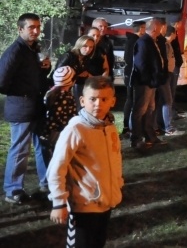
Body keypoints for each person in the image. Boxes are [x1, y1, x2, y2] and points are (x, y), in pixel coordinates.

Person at [47, 76, 123, 248]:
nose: (98, 104)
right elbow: (56, 167)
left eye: (104, 99)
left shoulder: (110, 127)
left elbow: (116, 158)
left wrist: (117, 184)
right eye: (92, 99)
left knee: (97, 243)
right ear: (82, 101)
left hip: (105, 201)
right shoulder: (76, 129)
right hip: (84, 205)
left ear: (112, 101)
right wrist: (59, 201)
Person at [0, 13, 51, 204]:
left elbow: (33, 76)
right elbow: (1, 83)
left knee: (43, 146)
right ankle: (13, 189)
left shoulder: (31, 49)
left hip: (35, 106)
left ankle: (46, 182)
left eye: (38, 26)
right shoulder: (15, 51)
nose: (36, 31)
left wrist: (44, 68)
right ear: (20, 29)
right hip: (21, 107)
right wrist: (26, 91)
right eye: (31, 27)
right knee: (20, 149)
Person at [130, 18, 166, 150]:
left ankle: (149, 136)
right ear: (156, 28)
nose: (163, 30)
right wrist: (149, 80)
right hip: (144, 83)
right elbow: (141, 64)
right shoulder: (144, 42)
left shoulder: (150, 41)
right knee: (140, 110)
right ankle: (136, 139)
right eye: (161, 27)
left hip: (150, 82)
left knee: (149, 109)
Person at [42, 66, 78, 155]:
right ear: (71, 81)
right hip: (61, 132)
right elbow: (68, 117)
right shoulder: (66, 97)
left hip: (49, 130)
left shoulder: (50, 93)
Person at [56, 35, 96, 112]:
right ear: (79, 45)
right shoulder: (69, 56)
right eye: (85, 46)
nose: (88, 49)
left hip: (77, 86)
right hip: (63, 88)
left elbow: (84, 73)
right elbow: (57, 74)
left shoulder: (86, 58)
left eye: (91, 47)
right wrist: (76, 75)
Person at [121, 21, 146, 136]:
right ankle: (128, 126)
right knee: (131, 100)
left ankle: (128, 126)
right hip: (133, 75)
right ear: (140, 29)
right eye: (144, 28)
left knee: (130, 99)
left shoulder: (131, 40)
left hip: (130, 74)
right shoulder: (135, 41)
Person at [157, 25, 182, 136]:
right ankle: (168, 127)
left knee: (164, 100)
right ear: (172, 34)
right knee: (167, 100)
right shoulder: (166, 45)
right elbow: (165, 61)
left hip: (167, 74)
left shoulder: (166, 44)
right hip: (166, 75)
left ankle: (162, 125)